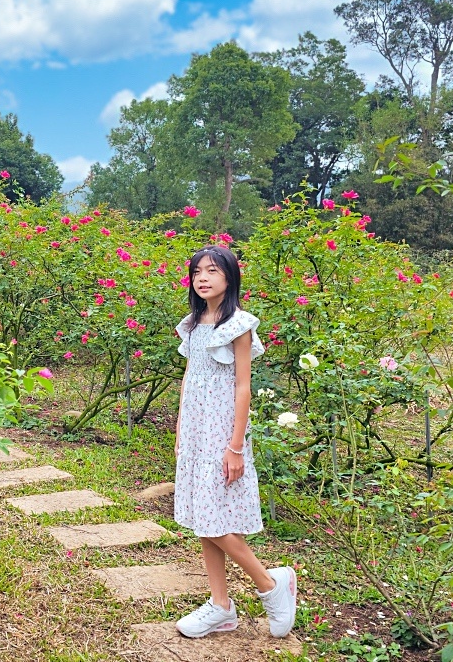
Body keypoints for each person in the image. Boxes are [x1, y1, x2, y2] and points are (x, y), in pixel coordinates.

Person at [172, 245, 296, 639]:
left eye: (212, 271)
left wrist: (236, 445)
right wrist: (179, 429)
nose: (202, 278)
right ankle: (221, 607)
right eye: (197, 272)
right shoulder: (192, 324)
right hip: (195, 430)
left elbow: (244, 387)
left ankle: (271, 585)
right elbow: (190, 378)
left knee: (213, 518)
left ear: (230, 277)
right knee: (203, 518)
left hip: (223, 430)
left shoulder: (239, 324)